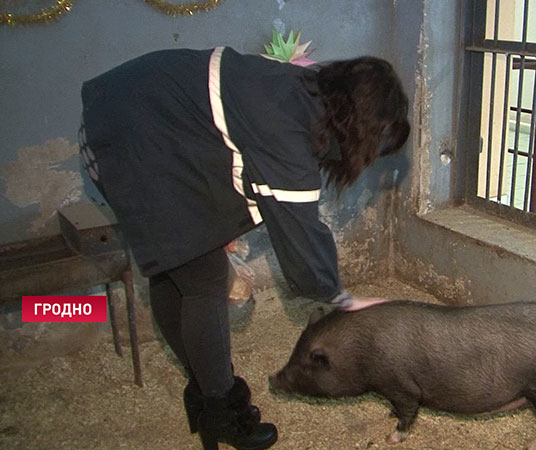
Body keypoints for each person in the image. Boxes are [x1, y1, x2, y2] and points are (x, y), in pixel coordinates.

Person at [78, 46, 410, 450]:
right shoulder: (289, 128)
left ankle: (201, 392)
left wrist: (218, 225)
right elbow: (301, 231)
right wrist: (338, 295)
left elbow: (223, 150)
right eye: (374, 146)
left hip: (116, 120)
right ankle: (221, 411)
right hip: (135, 135)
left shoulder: (298, 90)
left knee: (173, 267)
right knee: (203, 279)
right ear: (363, 124)